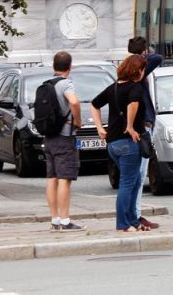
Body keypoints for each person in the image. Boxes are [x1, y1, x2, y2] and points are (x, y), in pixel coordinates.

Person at [91, 55, 147, 232]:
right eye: (143, 69)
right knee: (128, 183)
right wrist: (130, 126)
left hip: (113, 144)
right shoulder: (136, 87)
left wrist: (100, 127)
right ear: (137, 70)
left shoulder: (113, 88)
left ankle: (133, 221)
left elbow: (94, 104)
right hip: (128, 143)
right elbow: (133, 104)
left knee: (135, 181)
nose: (144, 73)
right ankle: (123, 224)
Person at [44, 51, 84, 231]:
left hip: (49, 136)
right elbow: (74, 102)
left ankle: (54, 218)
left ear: (54, 66)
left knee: (52, 178)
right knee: (64, 179)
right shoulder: (66, 84)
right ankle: (65, 219)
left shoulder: (46, 84)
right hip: (64, 136)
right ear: (70, 67)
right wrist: (78, 121)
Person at [127, 37, 163, 231]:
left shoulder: (127, 71)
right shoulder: (138, 70)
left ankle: (133, 214)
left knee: (136, 175)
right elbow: (158, 58)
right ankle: (135, 215)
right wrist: (142, 56)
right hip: (143, 126)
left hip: (140, 125)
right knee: (139, 175)